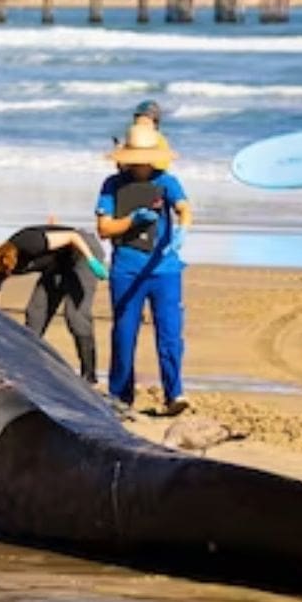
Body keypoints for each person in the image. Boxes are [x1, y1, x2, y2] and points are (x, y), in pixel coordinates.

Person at [95, 120, 192, 417]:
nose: (141, 165)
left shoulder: (167, 182)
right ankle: (120, 395)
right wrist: (133, 221)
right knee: (125, 332)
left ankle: (174, 393)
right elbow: (104, 228)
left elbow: (184, 208)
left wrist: (183, 230)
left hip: (164, 270)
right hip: (127, 269)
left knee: (170, 333)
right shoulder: (112, 186)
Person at [0, 226, 109, 382]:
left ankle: (89, 377)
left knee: (75, 315)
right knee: (35, 314)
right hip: (57, 265)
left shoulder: (25, 243)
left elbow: (72, 237)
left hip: (82, 251)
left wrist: (92, 261)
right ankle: (28, 370)